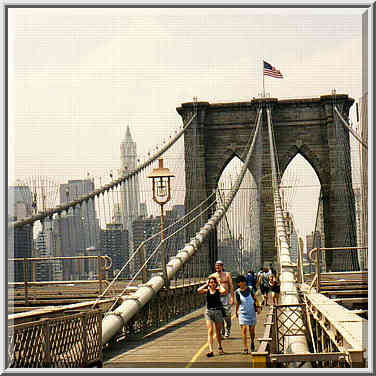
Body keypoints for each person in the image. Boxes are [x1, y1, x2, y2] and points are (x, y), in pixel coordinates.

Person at [197, 276, 226, 357]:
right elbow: (198, 290)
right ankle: (210, 350)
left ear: (215, 283)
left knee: (218, 332)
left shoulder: (218, 290)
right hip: (208, 312)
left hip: (218, 312)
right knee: (210, 331)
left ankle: (220, 347)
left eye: (213, 282)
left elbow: (224, 291)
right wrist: (205, 284)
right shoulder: (207, 291)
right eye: (211, 282)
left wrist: (219, 284)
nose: (212, 284)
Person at [235, 275, 261, 354]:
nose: (242, 283)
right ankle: (245, 348)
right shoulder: (237, 292)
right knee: (244, 330)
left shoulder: (250, 289)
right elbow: (238, 302)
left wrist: (258, 307)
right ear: (238, 284)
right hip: (242, 313)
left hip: (251, 312)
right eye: (240, 282)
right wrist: (236, 311)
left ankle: (252, 342)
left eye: (243, 281)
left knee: (252, 330)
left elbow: (255, 298)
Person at [209, 260, 234, 338]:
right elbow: (209, 287)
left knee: (227, 315)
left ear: (222, 266)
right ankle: (223, 330)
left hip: (226, 297)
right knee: (219, 316)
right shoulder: (212, 276)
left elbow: (231, 286)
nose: (217, 267)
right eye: (216, 265)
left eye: (219, 265)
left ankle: (228, 329)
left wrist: (232, 297)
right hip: (217, 298)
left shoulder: (227, 275)